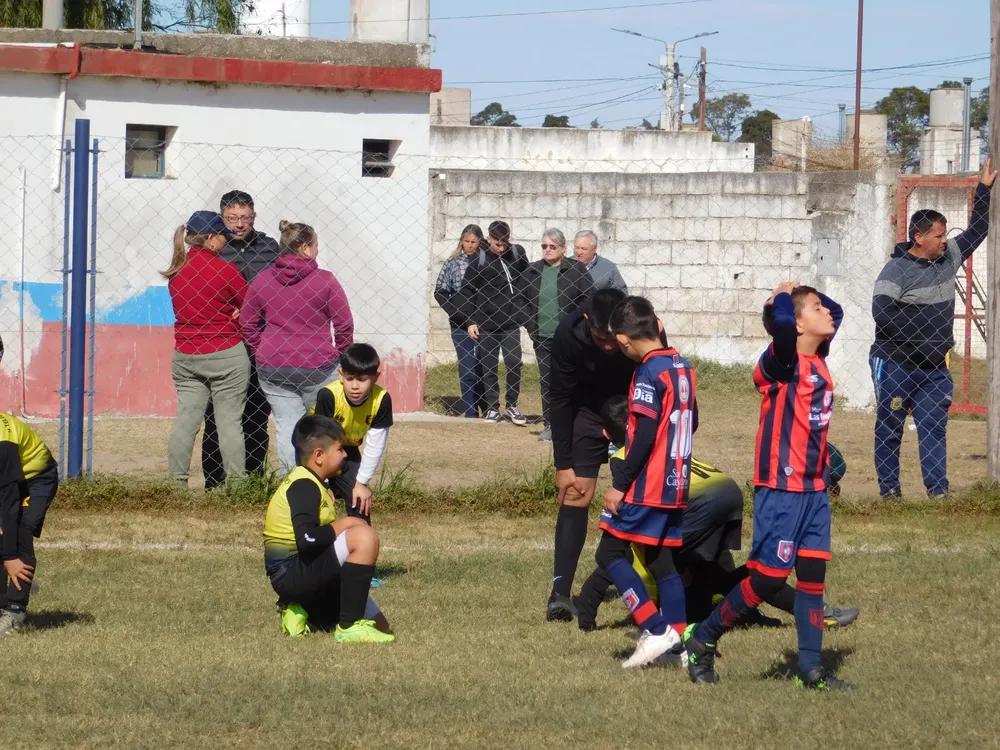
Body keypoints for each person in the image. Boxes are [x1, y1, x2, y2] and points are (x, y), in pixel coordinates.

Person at [683, 283, 855, 690]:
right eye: (816, 308)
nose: (827, 312)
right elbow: (781, 327)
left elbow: (838, 313)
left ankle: (810, 671)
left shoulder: (818, 356)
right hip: (780, 488)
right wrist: (783, 297)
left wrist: (805, 295)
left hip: (814, 490)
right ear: (795, 324)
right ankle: (703, 637)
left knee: (813, 579)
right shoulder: (782, 362)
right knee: (767, 580)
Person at [574, 395, 860, 632]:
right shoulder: (661, 443)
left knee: (630, 554)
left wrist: (586, 608)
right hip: (726, 492)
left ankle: (808, 611)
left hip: (702, 505)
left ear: (606, 434)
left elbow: (615, 548)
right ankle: (781, 611)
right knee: (714, 577)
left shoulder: (624, 459)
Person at [870, 158, 997, 499]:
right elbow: (881, 313)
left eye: (945, 235)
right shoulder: (896, 270)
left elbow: (977, 231)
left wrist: (982, 189)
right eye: (939, 235)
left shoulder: (948, 258)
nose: (945, 240)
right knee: (890, 429)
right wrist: (920, 339)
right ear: (918, 237)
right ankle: (889, 493)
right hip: (897, 365)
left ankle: (938, 493)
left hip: (934, 370)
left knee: (933, 429)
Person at [593, 295, 696, 668]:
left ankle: (655, 629)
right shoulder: (681, 366)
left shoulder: (648, 372)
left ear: (623, 340)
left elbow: (644, 434)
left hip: (648, 483)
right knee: (662, 561)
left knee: (608, 554)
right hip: (676, 482)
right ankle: (682, 647)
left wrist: (620, 483)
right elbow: (692, 421)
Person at [545, 288, 636, 622]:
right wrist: (563, 464)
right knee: (576, 493)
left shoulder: (640, 325)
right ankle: (560, 595)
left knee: (647, 493)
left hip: (633, 408)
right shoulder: (568, 334)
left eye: (615, 338)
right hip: (586, 410)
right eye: (601, 338)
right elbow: (560, 399)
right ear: (587, 321)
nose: (610, 346)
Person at [263, 415, 393, 642]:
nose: (345, 455)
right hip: (291, 575)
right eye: (340, 449)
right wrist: (346, 522)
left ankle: (300, 612)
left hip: (301, 572)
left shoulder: (312, 482)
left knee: (382, 627)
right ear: (319, 456)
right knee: (363, 536)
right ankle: (349, 628)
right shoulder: (304, 486)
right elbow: (307, 540)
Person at [240, 221, 354, 474]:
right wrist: (338, 355)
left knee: (286, 426)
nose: (317, 249)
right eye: (315, 244)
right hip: (318, 365)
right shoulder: (325, 281)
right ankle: (324, 479)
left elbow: (247, 323)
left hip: (273, 366)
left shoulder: (263, 280)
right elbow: (344, 324)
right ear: (304, 248)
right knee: (323, 427)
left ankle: (291, 482)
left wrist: (261, 349)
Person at [202, 190, 281, 489]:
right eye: (232, 218)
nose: (238, 224)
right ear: (222, 218)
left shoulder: (270, 249)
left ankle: (253, 477)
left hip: (258, 343)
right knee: (217, 414)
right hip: (221, 341)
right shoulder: (214, 248)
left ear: (254, 217)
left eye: (244, 218)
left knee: (256, 412)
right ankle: (214, 479)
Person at [164, 211, 249, 487]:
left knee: (186, 422)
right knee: (229, 423)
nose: (226, 239)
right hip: (226, 351)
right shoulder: (227, 270)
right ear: (212, 238)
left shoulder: (176, 271)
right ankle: (236, 484)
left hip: (186, 354)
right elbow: (246, 307)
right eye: (223, 235)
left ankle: (177, 483)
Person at [522, 228, 594, 441]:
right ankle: (551, 424)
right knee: (547, 380)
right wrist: (529, 324)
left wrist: (574, 321)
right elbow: (519, 301)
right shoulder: (532, 270)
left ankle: (575, 422)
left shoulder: (576, 269)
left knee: (573, 379)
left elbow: (588, 297)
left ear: (563, 248)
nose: (548, 250)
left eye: (553, 246)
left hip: (570, 338)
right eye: (544, 246)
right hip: (541, 337)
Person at [458, 221, 529, 426]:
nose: (501, 248)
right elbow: (467, 292)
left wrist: (523, 310)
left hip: (510, 323)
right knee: (489, 367)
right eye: (497, 244)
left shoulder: (517, 255)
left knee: (514, 362)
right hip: (486, 324)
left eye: (504, 244)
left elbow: (528, 280)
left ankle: (512, 405)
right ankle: (491, 408)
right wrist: (470, 321)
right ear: (488, 239)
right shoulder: (478, 262)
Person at [312, 344, 392, 524]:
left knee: (359, 498)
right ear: (341, 375)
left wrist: (361, 483)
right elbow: (319, 440)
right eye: (349, 379)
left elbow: (375, 445)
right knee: (315, 499)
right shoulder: (328, 395)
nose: (355, 386)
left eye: (362, 380)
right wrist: (322, 483)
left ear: (375, 377)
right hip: (316, 450)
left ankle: (363, 541)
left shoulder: (382, 399)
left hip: (348, 449)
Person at [0, 412, 59, 635]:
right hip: (6, 481)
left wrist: (10, 558)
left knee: (19, 531)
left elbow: (10, 502)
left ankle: (15, 613)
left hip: (36, 478)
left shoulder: (3, 444)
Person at [434, 224, 484, 418]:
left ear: (480, 243)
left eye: (473, 242)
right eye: (466, 241)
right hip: (460, 323)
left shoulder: (485, 263)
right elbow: (440, 292)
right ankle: (470, 409)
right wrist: (456, 312)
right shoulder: (453, 263)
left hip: (484, 322)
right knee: (467, 366)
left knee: (483, 366)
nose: (469, 246)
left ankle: (487, 408)